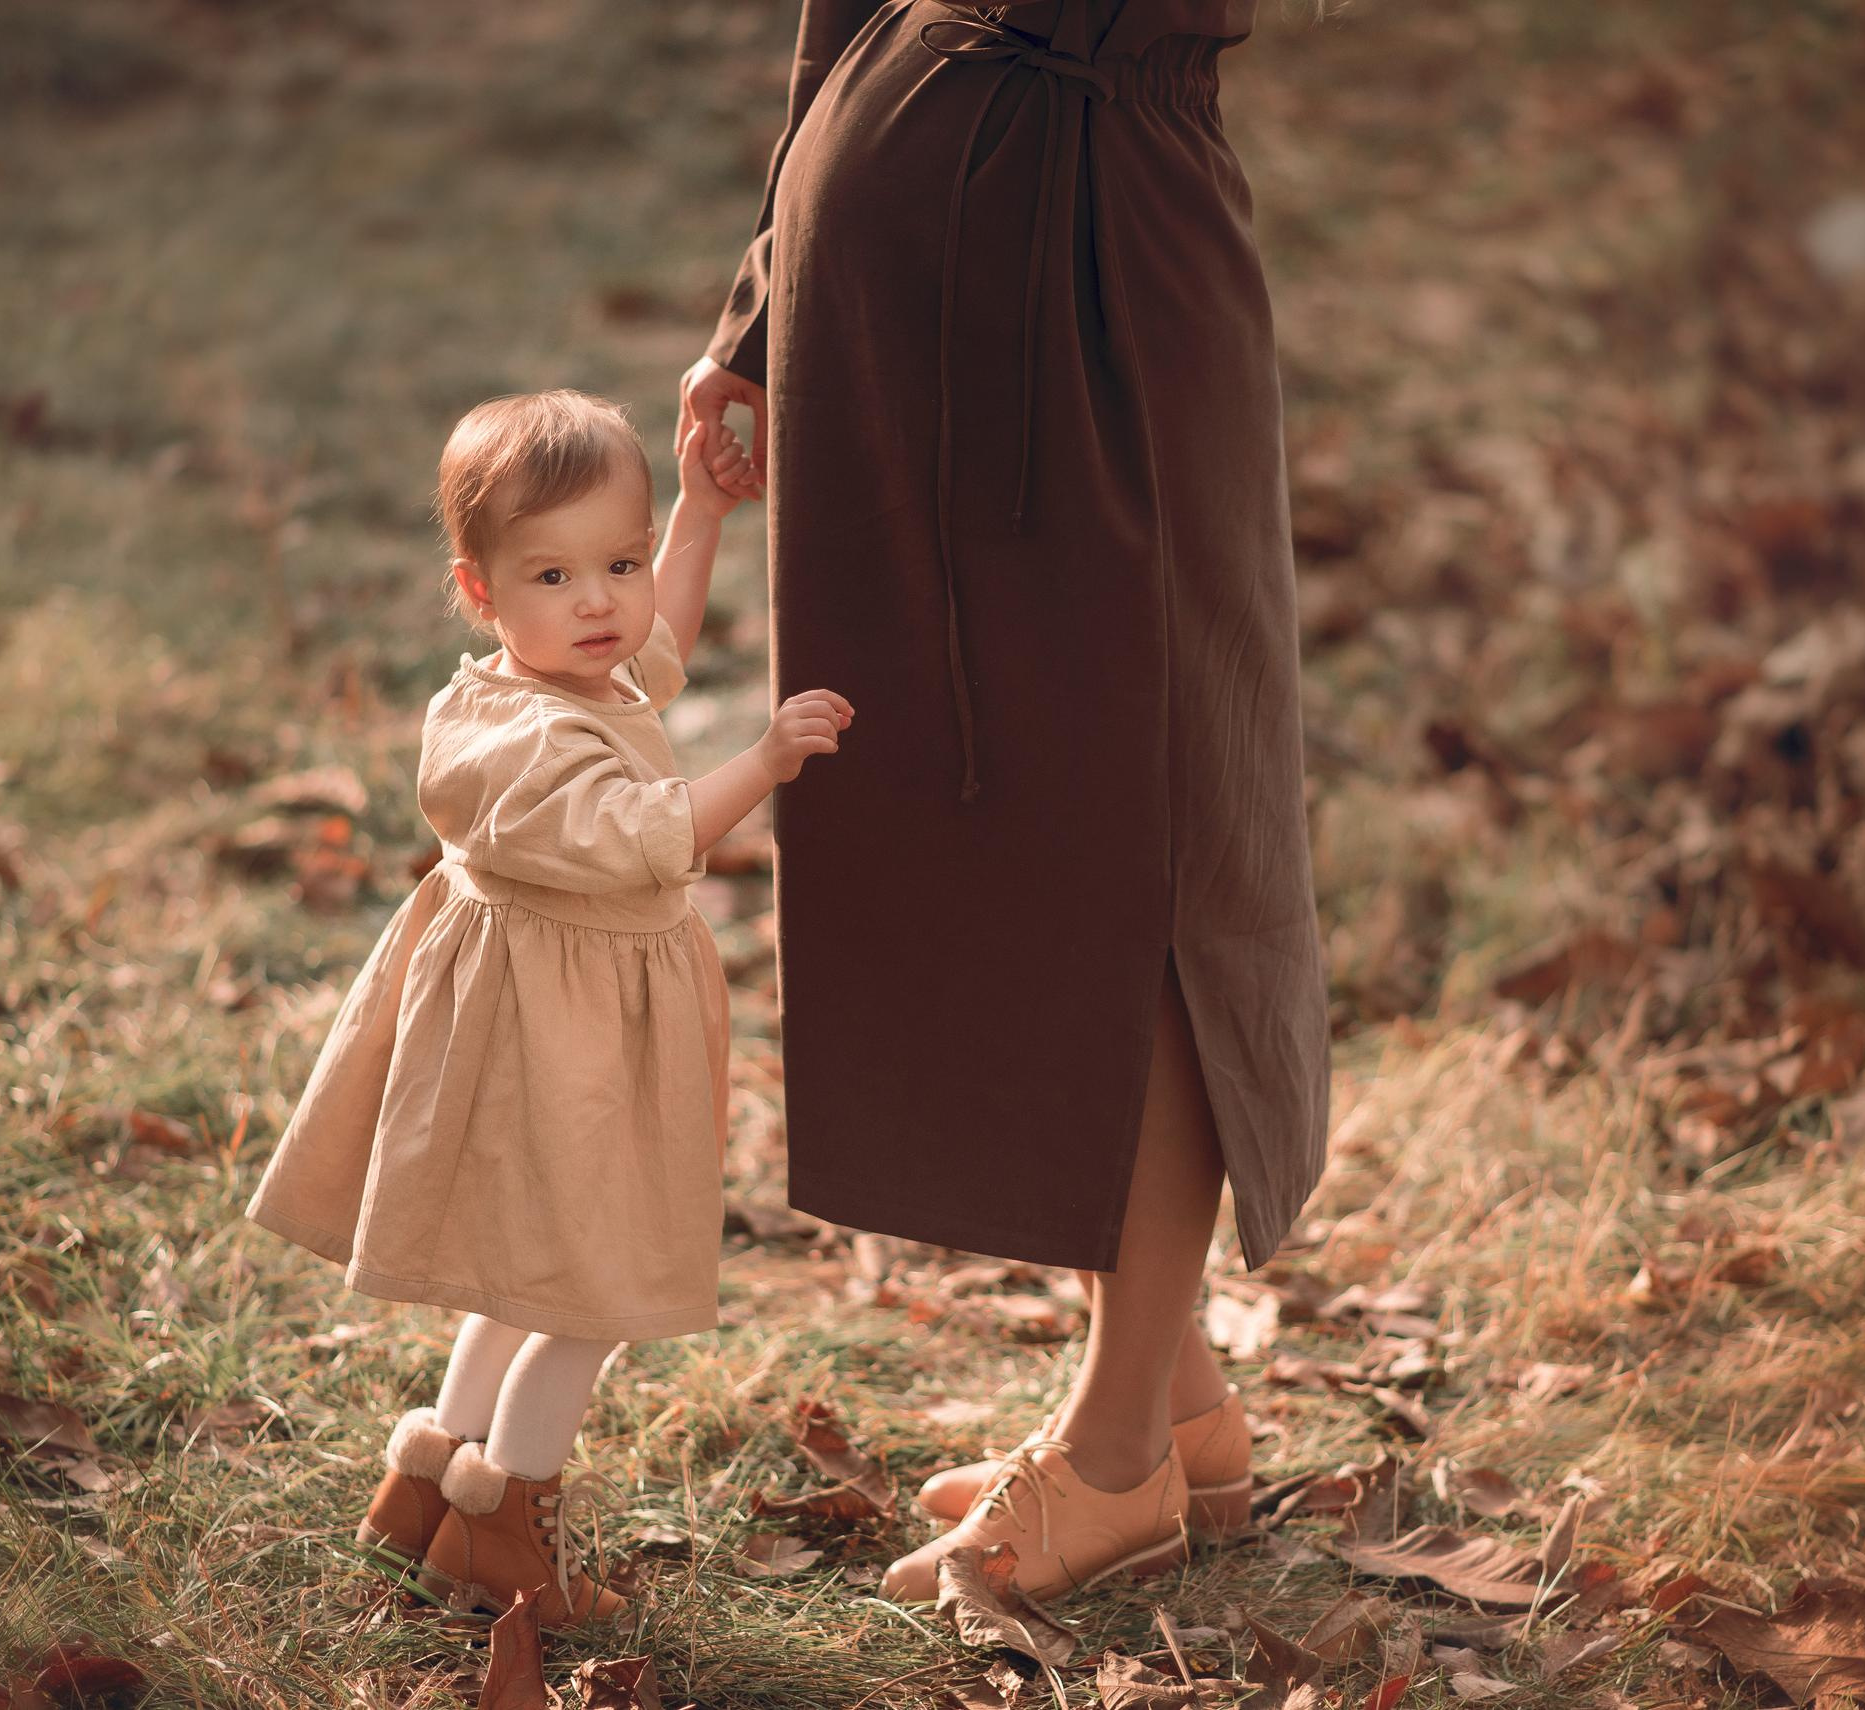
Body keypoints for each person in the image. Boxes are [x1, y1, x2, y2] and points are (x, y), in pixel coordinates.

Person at [679, 0, 1329, 1601]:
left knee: (1157, 829)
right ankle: (1174, 1404)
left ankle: (1113, 1464)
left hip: (1112, 235)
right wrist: (765, 294)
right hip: (886, 265)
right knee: (1030, 822)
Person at [245, 389, 852, 1626]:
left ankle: (427, 1489)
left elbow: (657, 640)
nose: (601, 603)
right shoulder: (513, 745)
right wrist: (764, 762)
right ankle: (505, 1526)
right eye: (557, 574)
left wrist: (699, 515)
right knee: (589, 1290)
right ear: (480, 593)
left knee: (524, 1282)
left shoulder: (575, 671)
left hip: (557, 1019)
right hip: (557, 1040)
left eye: (616, 564)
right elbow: (647, 834)